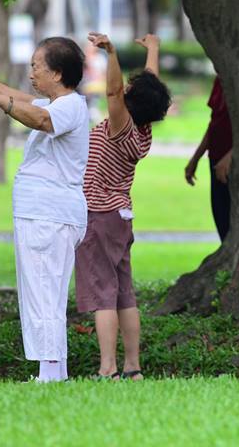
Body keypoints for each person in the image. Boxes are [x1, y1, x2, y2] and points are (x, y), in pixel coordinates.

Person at [0, 37, 89, 382]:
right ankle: (54, 370)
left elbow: (38, 118)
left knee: (43, 291)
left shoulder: (67, 107)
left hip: (49, 216)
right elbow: (26, 101)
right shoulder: (59, 102)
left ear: (57, 73)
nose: (32, 72)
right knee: (42, 290)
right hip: (45, 214)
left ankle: (50, 373)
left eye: (37, 66)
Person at [75, 32, 171, 381]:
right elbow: (150, 89)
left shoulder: (121, 126)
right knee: (124, 294)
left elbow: (114, 91)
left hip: (100, 215)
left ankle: (107, 368)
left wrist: (112, 53)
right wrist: (153, 51)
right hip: (121, 216)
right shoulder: (142, 130)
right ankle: (133, 367)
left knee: (103, 295)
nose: (124, 91)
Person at [185, 77, 232, 241]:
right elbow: (214, 123)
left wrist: (231, 157)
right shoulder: (220, 80)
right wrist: (195, 158)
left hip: (234, 164)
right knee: (221, 216)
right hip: (215, 159)